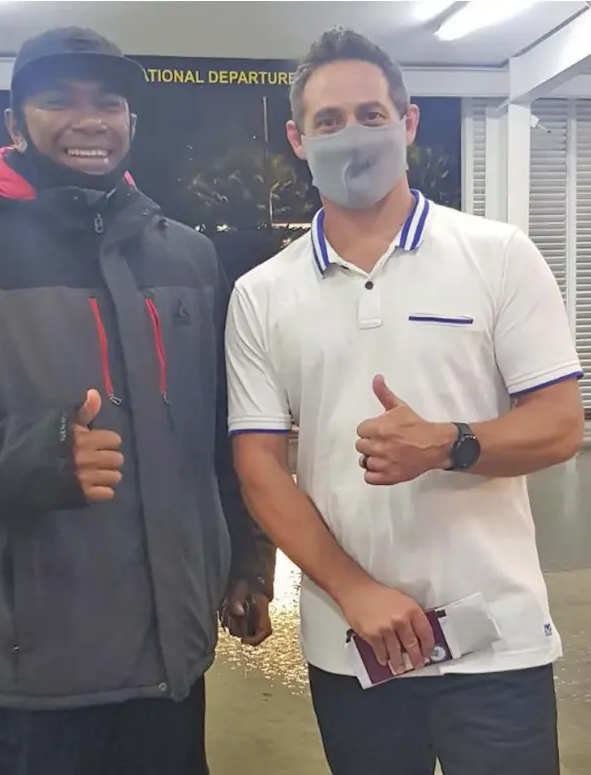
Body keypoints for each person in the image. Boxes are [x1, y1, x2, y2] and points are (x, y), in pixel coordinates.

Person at [0, 27, 274, 775]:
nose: (89, 120)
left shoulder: (185, 255)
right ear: (15, 125)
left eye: (108, 103)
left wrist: (247, 559)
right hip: (30, 680)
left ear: (132, 124)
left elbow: (223, 429)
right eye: (59, 100)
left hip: (170, 661)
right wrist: (40, 456)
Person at [225, 27, 584, 775]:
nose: (352, 134)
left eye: (371, 114)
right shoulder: (261, 295)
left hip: (497, 643)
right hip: (352, 644)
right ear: (297, 138)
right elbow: (259, 466)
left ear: (408, 122)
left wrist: (451, 442)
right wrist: (353, 590)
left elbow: (559, 426)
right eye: (328, 121)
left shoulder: (497, 255)